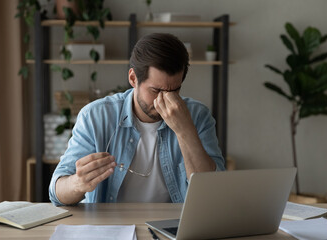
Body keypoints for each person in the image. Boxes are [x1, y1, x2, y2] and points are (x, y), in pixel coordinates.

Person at [49, 33, 225, 206]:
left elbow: (213, 195)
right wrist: (77, 183)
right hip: (110, 228)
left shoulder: (198, 116)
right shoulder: (96, 116)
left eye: (174, 91)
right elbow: (56, 193)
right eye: (156, 91)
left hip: (171, 226)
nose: (164, 101)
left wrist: (185, 130)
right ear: (133, 78)